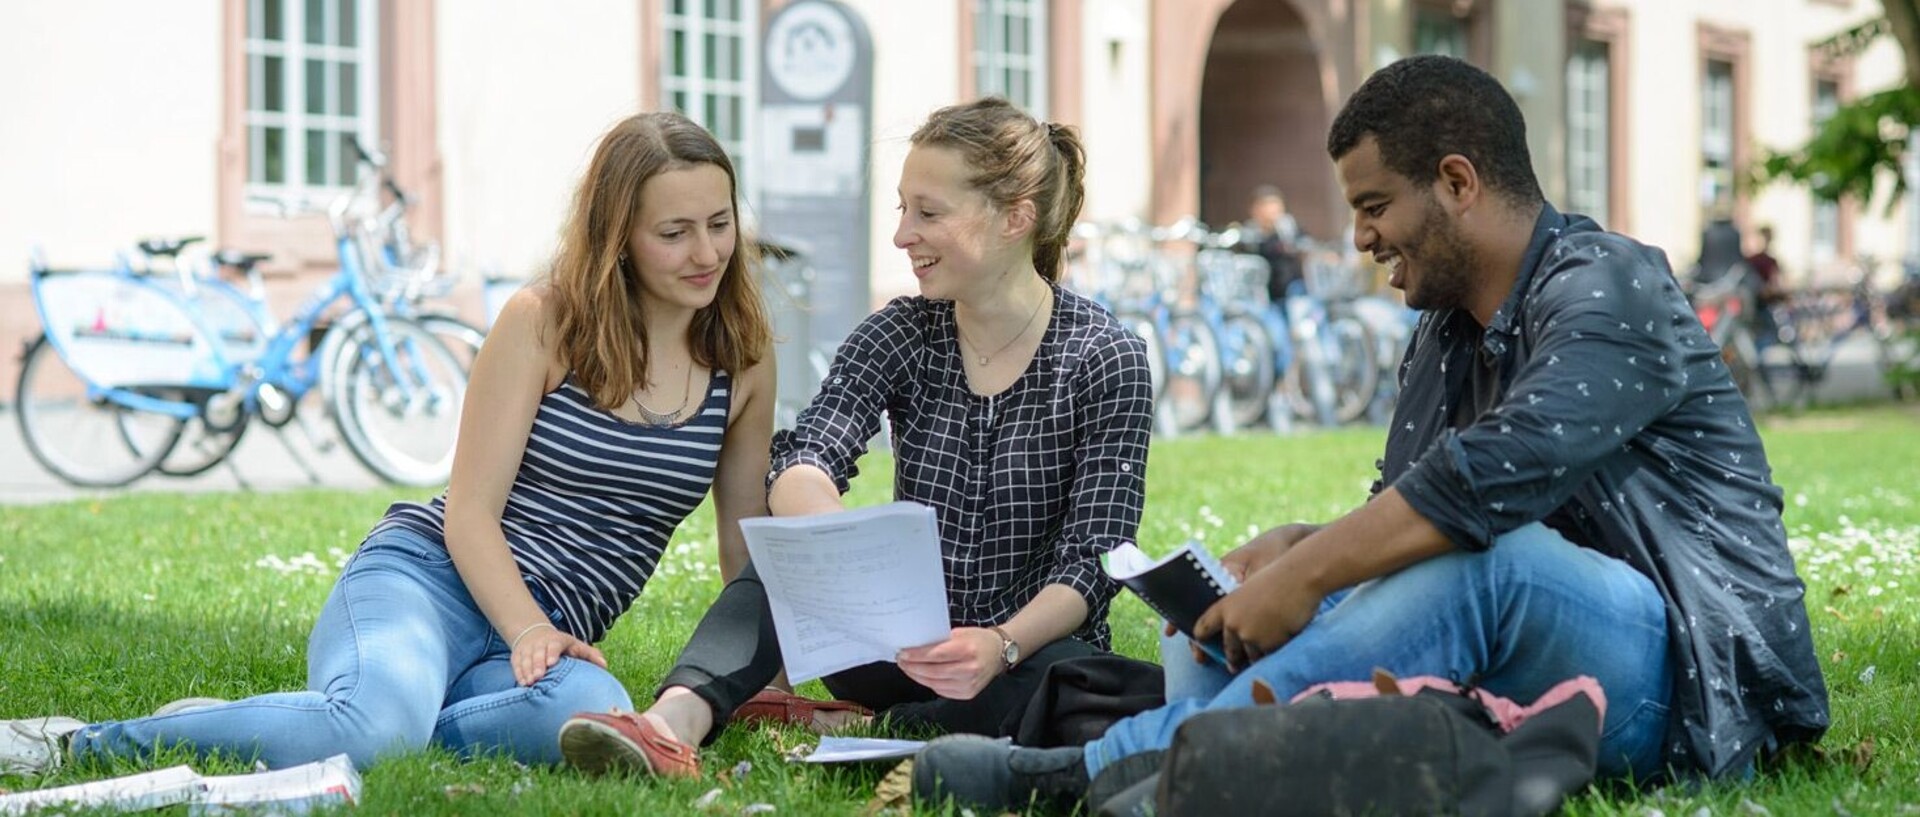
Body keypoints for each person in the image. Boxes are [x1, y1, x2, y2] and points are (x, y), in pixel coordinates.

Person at [911, 55, 1830, 812]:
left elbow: (1488, 486)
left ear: (1458, 182)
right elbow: (1407, 518)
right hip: (1519, 664)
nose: (1358, 237)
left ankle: (1094, 771)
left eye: (1375, 205)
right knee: (1220, 614)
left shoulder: (1609, 286)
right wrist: (1296, 555)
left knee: (1492, 560)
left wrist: (1313, 573)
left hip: (1686, 683)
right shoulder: (1444, 332)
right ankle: (1189, 787)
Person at [0, 112, 776, 774]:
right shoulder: (544, 322)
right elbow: (469, 510)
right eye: (675, 233)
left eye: (719, 224)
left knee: (599, 717)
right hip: (428, 585)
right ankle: (81, 742)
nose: (706, 253)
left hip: (540, 645)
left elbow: (743, 556)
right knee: (378, 731)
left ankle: (294, 721)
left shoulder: (742, 356)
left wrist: (759, 681)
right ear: (619, 237)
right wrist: (528, 627)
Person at [556, 97, 1157, 778]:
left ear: (1015, 218)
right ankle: (671, 724)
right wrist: (839, 549)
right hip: (894, 647)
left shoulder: (1105, 356)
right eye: (902, 209)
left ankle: (882, 733)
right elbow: (804, 456)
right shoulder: (900, 332)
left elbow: (1095, 559)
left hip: (1025, 655)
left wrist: (999, 644)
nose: (903, 235)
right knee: (783, 565)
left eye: (928, 213)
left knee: (1079, 681)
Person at [1235, 184, 1306, 302]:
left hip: (1290, 291)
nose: (1272, 212)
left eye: (1275, 207)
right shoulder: (1249, 234)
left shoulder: (1289, 229)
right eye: (1266, 206)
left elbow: (1305, 245)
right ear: (1255, 210)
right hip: (1259, 293)